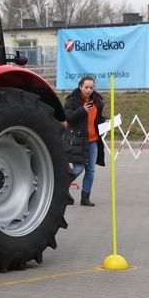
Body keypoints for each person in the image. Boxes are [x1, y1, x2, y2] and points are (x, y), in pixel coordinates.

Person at [64, 76, 106, 207]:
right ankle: (60, 186)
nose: (89, 90)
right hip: (79, 140)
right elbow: (68, 118)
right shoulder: (71, 100)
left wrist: (106, 121)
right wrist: (82, 110)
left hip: (93, 140)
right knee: (78, 168)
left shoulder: (97, 101)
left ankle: (85, 197)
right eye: (86, 87)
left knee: (91, 170)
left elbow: (96, 119)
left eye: (91, 88)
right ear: (80, 86)